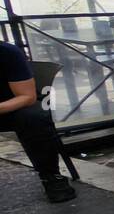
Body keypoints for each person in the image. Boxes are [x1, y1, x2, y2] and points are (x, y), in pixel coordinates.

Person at [0, 40, 76, 202]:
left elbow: (27, 97)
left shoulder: (7, 52)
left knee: (33, 117)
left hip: (11, 107)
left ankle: (51, 176)